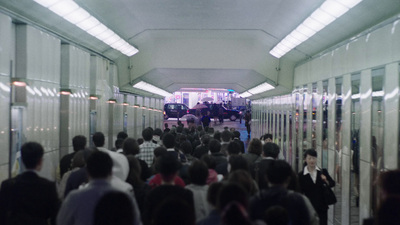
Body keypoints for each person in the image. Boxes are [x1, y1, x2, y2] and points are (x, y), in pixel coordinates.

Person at [57, 151, 141, 225]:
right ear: (111, 172)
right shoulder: (124, 196)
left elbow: (61, 222)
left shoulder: (75, 198)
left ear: (88, 172)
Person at [0, 142, 60, 225]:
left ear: (23, 159)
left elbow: (2, 215)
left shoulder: (7, 185)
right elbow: (55, 216)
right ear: (40, 161)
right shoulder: (48, 186)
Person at [249, 160, 319, 225]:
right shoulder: (300, 200)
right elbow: (314, 221)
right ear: (288, 179)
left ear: (266, 178)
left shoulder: (256, 200)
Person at [298, 149, 335, 225]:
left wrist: (326, 181)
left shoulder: (322, 171)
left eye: (314, 158)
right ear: (305, 159)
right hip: (308, 207)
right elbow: (299, 191)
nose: (312, 160)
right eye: (309, 158)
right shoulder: (301, 175)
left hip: (322, 206)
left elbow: (332, 183)